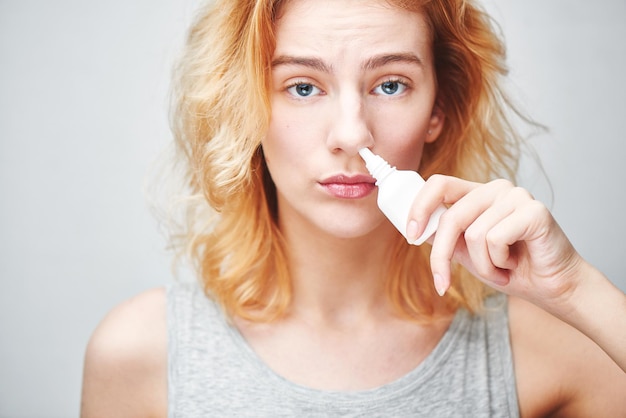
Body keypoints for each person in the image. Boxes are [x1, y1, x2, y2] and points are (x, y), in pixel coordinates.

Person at [80, 0, 626, 416]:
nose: (351, 133)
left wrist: (578, 291)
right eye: (302, 87)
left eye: (390, 85)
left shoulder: (543, 349)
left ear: (438, 108)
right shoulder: (143, 354)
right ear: (246, 103)